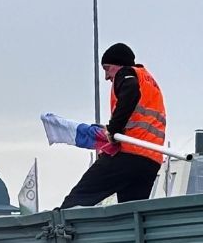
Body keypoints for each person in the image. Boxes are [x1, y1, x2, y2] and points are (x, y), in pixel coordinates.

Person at [60, 42, 166, 208]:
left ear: (119, 64)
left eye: (107, 69)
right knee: (132, 212)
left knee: (79, 198)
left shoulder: (127, 74)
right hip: (151, 161)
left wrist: (113, 129)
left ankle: (57, 230)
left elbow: (131, 92)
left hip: (129, 154)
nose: (107, 77)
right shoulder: (149, 82)